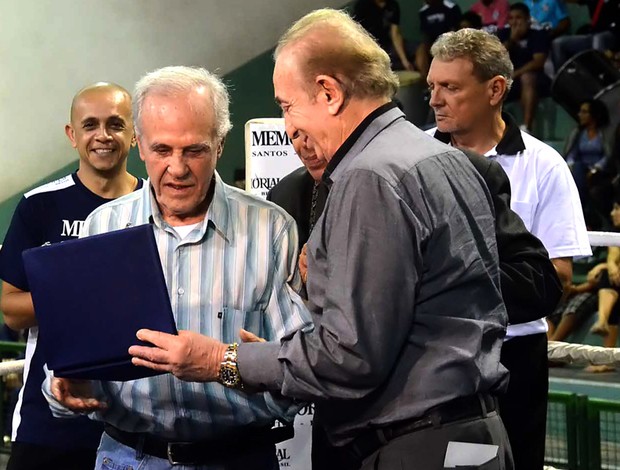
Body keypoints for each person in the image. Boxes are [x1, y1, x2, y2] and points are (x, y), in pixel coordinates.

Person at [129, 9, 514, 470]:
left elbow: (351, 358)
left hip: (416, 445)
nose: (288, 125)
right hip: (473, 435)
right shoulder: (445, 159)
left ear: (329, 93)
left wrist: (224, 360)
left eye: (287, 105)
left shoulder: (368, 177)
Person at [46, 66, 312, 469]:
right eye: (162, 150)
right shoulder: (104, 225)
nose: (177, 168)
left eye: (194, 150)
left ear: (220, 145)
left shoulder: (271, 229)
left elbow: (300, 370)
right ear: (139, 143)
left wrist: (221, 364)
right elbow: (81, 361)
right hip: (127, 456)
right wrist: (67, 384)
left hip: (238, 456)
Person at [426, 28, 591, 470]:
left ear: (495, 89)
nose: (435, 99)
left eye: (450, 87)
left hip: (514, 357)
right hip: (428, 355)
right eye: (432, 86)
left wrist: (448, 283)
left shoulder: (544, 166)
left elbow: (556, 277)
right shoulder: (413, 157)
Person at [0, 82, 142, 469]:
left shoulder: (157, 208)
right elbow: (11, 309)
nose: (102, 136)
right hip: (50, 424)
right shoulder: (39, 207)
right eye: (90, 125)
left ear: (134, 132)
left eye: (115, 124)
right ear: (72, 135)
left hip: (140, 424)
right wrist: (86, 295)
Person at [497, 3, 551, 133]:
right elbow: (496, 56)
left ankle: (526, 127)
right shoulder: (503, 34)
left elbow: (538, 62)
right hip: (509, 79)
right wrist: (512, 40)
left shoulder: (538, 35)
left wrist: (516, 74)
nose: (515, 22)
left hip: (536, 80)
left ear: (528, 19)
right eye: (511, 18)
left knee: (527, 77)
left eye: (519, 18)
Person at [564, 99, 615, 228]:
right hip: (581, 171)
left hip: (601, 172)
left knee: (585, 182)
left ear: (594, 115)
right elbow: (572, 154)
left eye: (584, 112)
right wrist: (570, 165)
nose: (580, 115)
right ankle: (585, 222)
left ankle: (582, 219)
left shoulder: (604, 133)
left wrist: (595, 169)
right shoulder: (579, 133)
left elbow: (609, 156)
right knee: (578, 169)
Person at [353, 0, 414, 71]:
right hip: (369, 47)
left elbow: (395, 34)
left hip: (387, 44)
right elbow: (357, 32)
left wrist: (404, 60)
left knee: (419, 49)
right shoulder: (362, 6)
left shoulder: (392, 5)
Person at [417, 0, 462, 78]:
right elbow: (425, 35)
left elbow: (455, 32)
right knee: (421, 51)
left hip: (449, 42)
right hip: (431, 43)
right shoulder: (423, 11)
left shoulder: (451, 8)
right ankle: (426, 82)